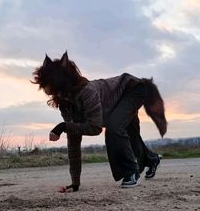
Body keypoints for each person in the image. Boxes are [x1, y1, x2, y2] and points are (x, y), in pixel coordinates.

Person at [32, 51, 167, 193]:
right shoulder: (65, 102)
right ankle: (152, 160)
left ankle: (131, 172)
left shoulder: (87, 92)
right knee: (127, 132)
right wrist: (75, 182)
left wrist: (62, 127)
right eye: (47, 90)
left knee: (114, 127)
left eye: (51, 88)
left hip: (133, 89)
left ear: (62, 82)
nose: (51, 93)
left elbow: (95, 128)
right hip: (116, 101)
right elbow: (73, 137)